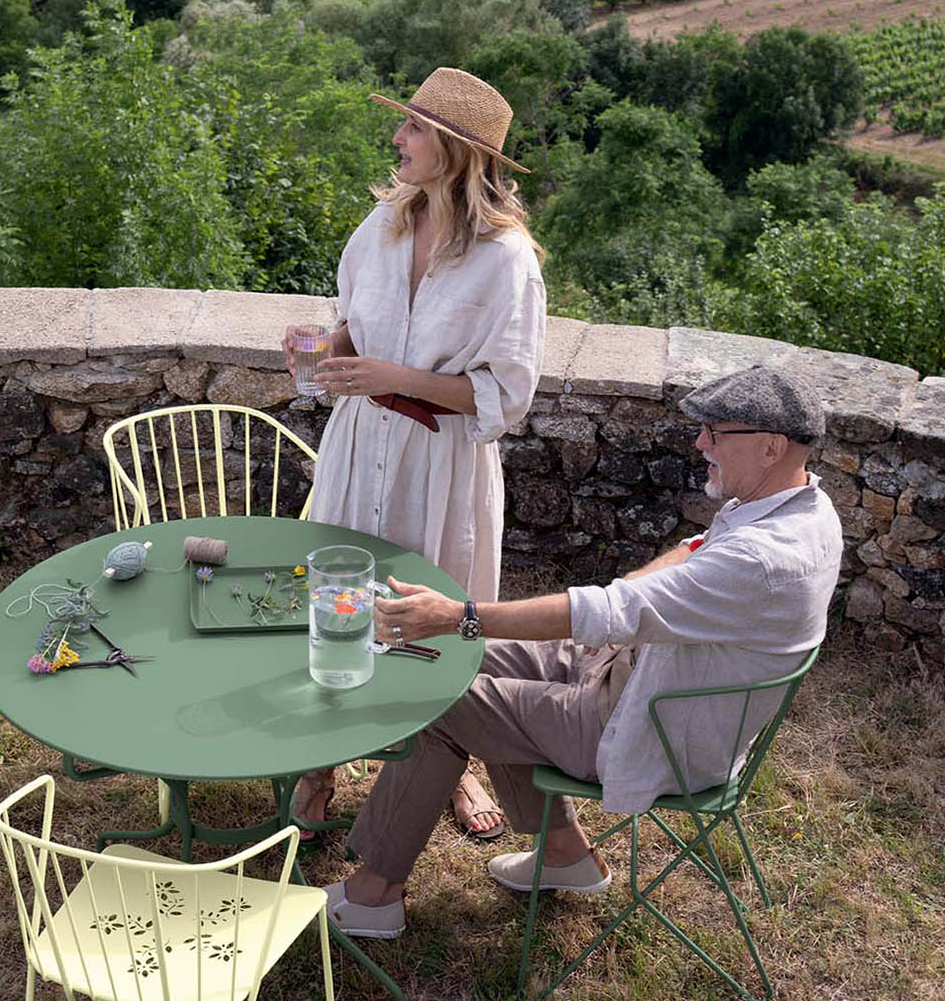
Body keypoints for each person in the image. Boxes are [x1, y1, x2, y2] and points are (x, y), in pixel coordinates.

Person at [322, 363, 843, 939]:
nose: (701, 443)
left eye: (716, 432)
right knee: (461, 658)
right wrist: (628, 600)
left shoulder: (760, 560)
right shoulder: (802, 506)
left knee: (443, 698)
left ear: (771, 446)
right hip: (643, 678)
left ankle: (374, 895)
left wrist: (457, 616)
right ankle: (565, 854)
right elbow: (695, 549)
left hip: (650, 727)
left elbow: (604, 610)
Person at [283, 67, 547, 842]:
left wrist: (396, 379)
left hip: (439, 463)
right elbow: (354, 322)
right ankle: (320, 762)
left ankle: (453, 761)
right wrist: (326, 350)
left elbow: (508, 394)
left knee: (434, 615)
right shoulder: (383, 224)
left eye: (414, 128)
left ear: (456, 150)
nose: (397, 138)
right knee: (339, 597)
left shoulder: (506, 260)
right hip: (359, 441)